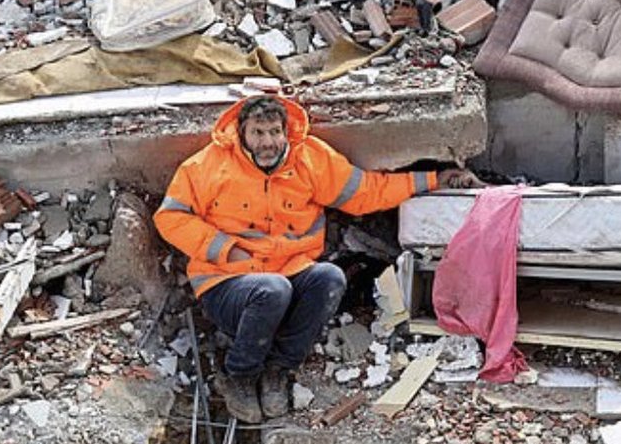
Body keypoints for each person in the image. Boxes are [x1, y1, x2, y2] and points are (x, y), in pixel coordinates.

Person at [153, 94, 483, 424]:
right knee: (272, 290)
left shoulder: (310, 159)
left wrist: (434, 180)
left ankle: (278, 370)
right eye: (258, 133)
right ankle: (239, 375)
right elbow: (169, 217)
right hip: (226, 283)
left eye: (274, 132)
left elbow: (366, 192)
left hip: (289, 275)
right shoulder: (207, 165)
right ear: (242, 133)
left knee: (329, 278)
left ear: (286, 132)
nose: (268, 142)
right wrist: (225, 249)